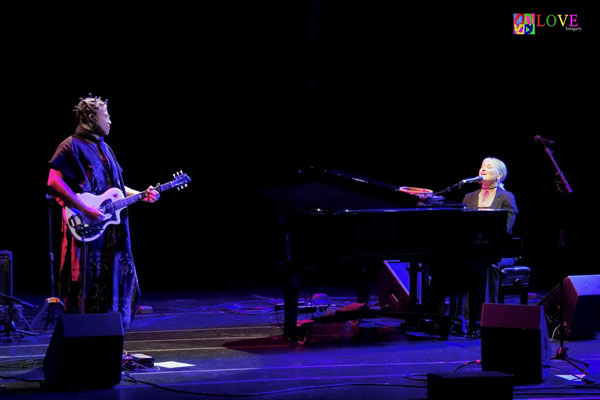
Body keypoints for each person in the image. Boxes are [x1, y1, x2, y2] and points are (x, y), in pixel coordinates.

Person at [47, 95, 160, 328]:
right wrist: (84, 209)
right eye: (105, 115)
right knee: (85, 286)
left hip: (110, 231)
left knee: (112, 285)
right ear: (90, 117)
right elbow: (53, 182)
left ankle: (109, 340)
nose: (109, 121)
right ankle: (84, 339)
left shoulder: (104, 148)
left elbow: (116, 189)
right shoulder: (70, 145)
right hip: (87, 233)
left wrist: (141, 194)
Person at [462, 156, 518, 305]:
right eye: (482, 165)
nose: (483, 168)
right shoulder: (468, 197)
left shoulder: (506, 197)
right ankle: (463, 316)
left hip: (499, 251)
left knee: (488, 264)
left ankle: (487, 312)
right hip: (472, 249)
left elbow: (506, 228)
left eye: (489, 166)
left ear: (499, 176)